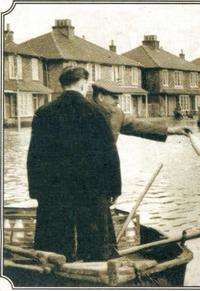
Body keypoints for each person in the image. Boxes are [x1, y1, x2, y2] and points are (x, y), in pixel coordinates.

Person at [27, 67, 122, 262]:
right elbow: (109, 155)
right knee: (95, 243)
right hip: (91, 188)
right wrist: (114, 189)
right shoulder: (96, 113)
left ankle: (55, 272)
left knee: (54, 242)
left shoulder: (44, 113)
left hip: (54, 188)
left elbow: (34, 157)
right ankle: (94, 268)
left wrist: (36, 190)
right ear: (82, 84)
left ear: (63, 85)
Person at [90, 80, 190, 147]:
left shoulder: (117, 114)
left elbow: (138, 126)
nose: (118, 101)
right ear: (101, 96)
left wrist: (170, 130)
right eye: (114, 97)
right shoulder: (83, 113)